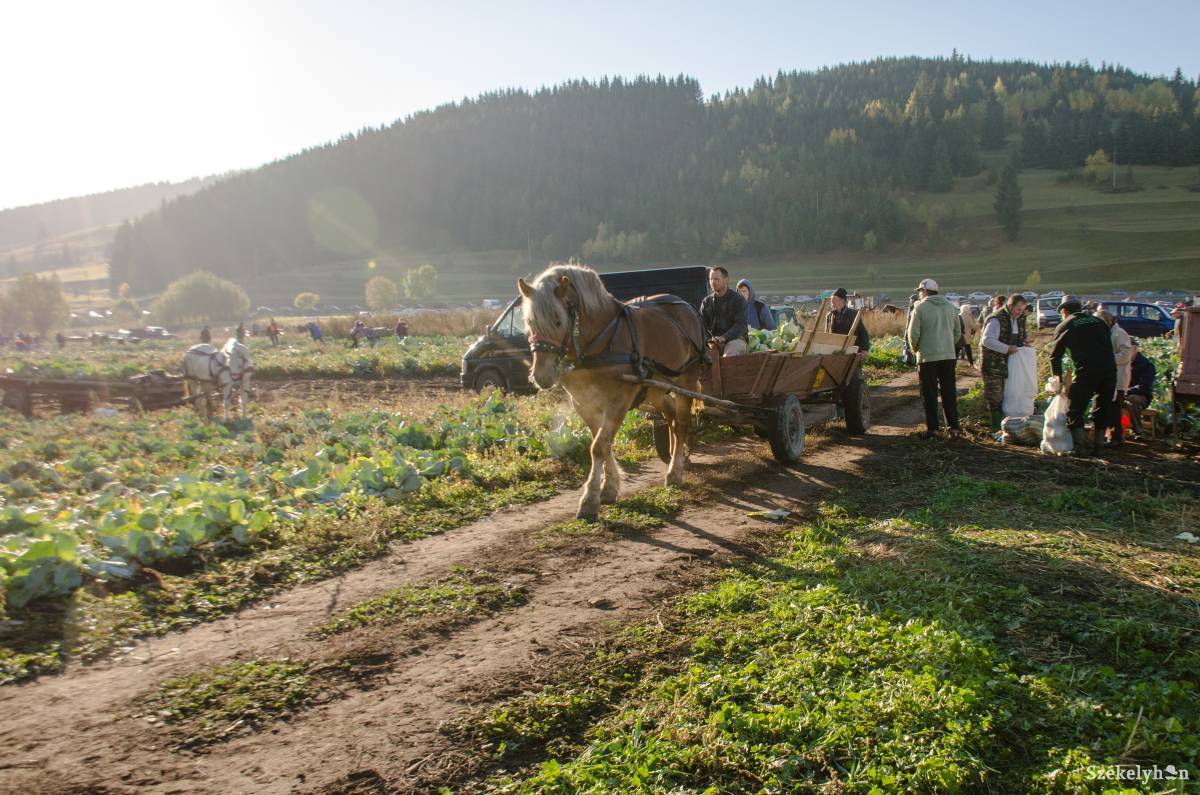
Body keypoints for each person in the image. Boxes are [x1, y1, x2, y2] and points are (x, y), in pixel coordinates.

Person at [1048, 296, 1116, 457]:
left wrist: (1057, 379)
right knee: (1102, 408)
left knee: (1074, 409)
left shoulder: (1066, 324)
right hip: (1109, 370)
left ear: (1064, 311)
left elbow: (1054, 356)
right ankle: (1098, 447)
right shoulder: (1098, 322)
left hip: (1087, 371)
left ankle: (1079, 449)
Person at [906, 278, 961, 438]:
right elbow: (957, 332)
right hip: (948, 356)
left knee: (929, 394)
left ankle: (934, 429)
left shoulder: (920, 308)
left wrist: (917, 350)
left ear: (924, 292)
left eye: (920, 291)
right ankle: (954, 428)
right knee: (949, 392)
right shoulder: (951, 308)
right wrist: (948, 345)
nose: (920, 294)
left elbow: (913, 334)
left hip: (927, 357)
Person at [979, 294, 1028, 435]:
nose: (1020, 312)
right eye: (1018, 309)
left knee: (1005, 396)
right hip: (992, 364)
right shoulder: (996, 319)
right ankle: (995, 429)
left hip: (1005, 364)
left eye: (1022, 310)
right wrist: (1007, 348)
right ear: (1010, 305)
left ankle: (1004, 426)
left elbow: (1011, 337)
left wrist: (1022, 343)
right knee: (995, 397)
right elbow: (987, 340)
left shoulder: (1014, 319)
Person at [1096, 310, 1133, 447]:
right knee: (1110, 407)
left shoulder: (1119, 333)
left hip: (1118, 378)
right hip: (1111, 377)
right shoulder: (1110, 332)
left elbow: (1125, 354)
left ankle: (1116, 437)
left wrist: (1108, 360)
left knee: (1114, 409)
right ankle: (1111, 435)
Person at [700, 266, 749, 357]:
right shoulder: (706, 302)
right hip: (713, 342)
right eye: (711, 279)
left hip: (736, 340)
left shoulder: (738, 299)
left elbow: (741, 325)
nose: (713, 282)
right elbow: (702, 327)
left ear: (726, 280)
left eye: (716, 279)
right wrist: (709, 341)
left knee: (729, 355)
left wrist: (724, 337)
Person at [1125, 340, 1156, 438]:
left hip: (1141, 396)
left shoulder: (1146, 365)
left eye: (1128, 350)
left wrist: (1127, 391)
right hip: (1123, 393)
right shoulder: (1122, 362)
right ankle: (1112, 432)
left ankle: (1138, 431)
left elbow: (1143, 386)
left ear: (1135, 349)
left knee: (1132, 399)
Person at [825, 288, 870, 352]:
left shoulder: (854, 314)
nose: (832, 301)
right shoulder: (829, 316)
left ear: (842, 300)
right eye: (831, 299)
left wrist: (865, 349)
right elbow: (827, 334)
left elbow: (863, 333)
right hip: (834, 350)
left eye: (834, 299)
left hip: (851, 349)